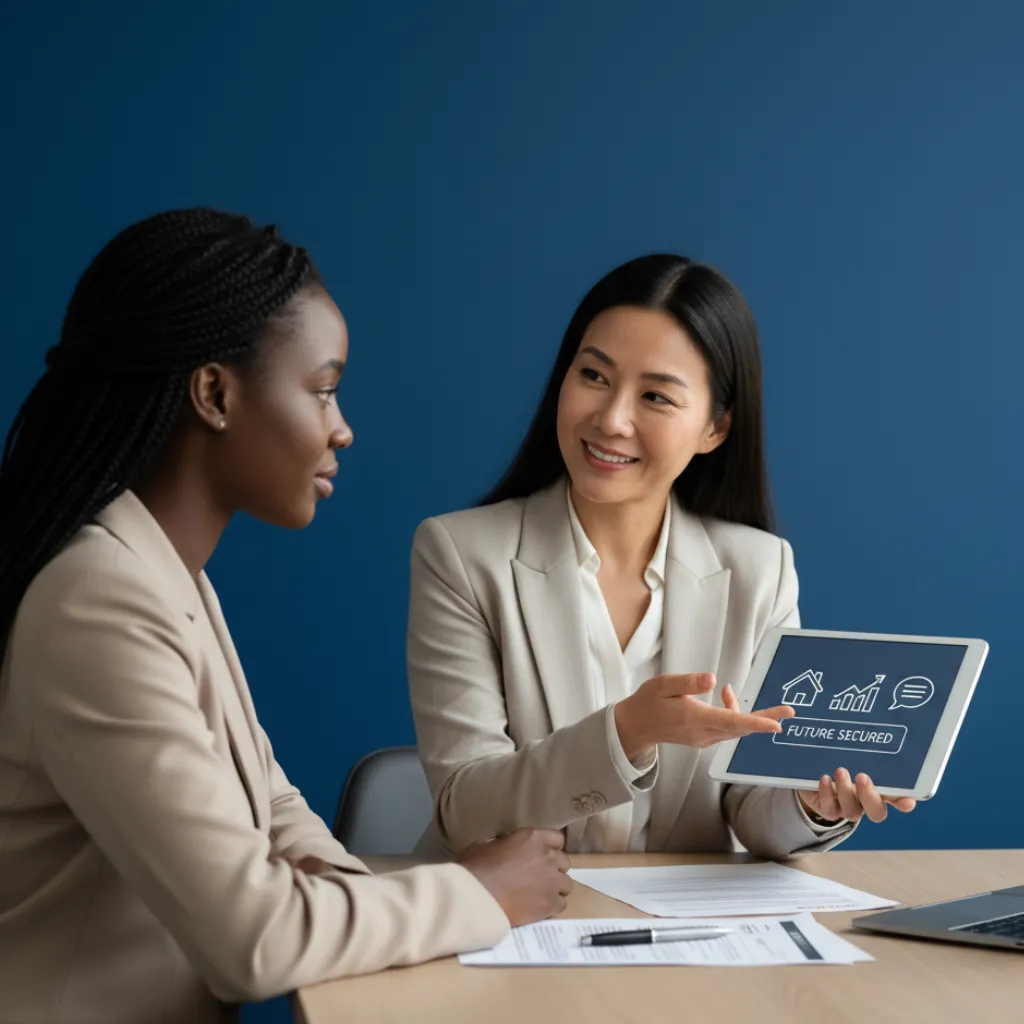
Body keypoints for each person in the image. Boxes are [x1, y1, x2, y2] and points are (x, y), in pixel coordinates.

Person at [0, 209, 570, 1024]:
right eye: (323, 389)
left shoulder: (166, 576)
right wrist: (474, 893)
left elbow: (270, 809)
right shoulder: (99, 598)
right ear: (214, 394)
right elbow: (254, 940)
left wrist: (378, 903)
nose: (342, 427)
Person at [407, 254, 916, 859]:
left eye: (655, 396)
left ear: (715, 429)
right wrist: (627, 733)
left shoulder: (761, 569)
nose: (612, 419)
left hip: (685, 937)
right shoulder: (462, 555)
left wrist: (812, 805)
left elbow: (751, 811)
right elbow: (464, 808)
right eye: (593, 376)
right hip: (510, 923)